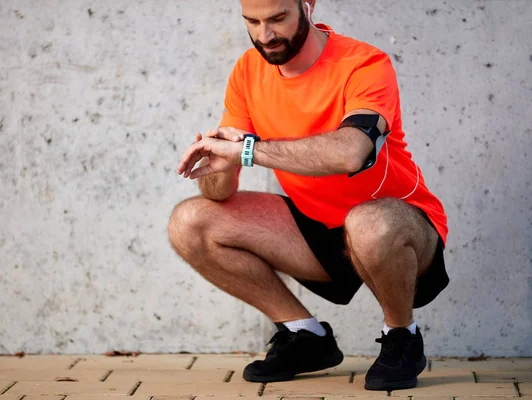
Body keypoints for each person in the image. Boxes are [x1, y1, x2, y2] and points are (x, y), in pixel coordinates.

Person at [168, 0, 449, 391]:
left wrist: (248, 150)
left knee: (366, 222)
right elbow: (220, 192)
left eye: (278, 18)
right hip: (317, 230)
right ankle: (305, 336)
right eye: (253, 22)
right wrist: (220, 158)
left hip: (398, 229)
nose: (265, 35)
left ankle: (402, 336)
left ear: (307, 5)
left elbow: (352, 151)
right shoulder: (248, 71)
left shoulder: (364, 63)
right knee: (189, 221)